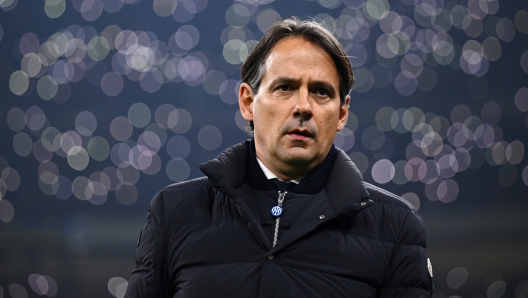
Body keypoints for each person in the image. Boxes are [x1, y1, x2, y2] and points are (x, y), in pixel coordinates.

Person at [125, 17, 433, 297]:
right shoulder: (174, 212)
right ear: (248, 102)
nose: (303, 107)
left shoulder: (395, 227)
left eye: (321, 92)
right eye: (285, 87)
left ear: (342, 113)